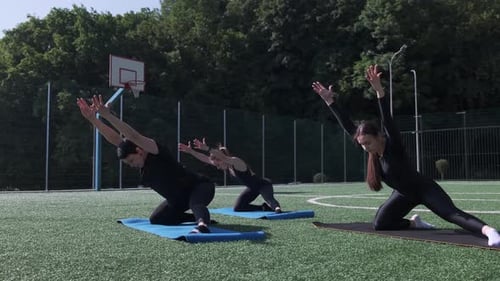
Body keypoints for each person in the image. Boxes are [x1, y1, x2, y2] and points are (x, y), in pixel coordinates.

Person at [311, 65, 500, 247]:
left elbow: (387, 119)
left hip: (424, 189)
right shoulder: (370, 150)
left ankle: (489, 231)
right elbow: (347, 125)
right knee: (380, 224)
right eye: (361, 144)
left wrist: (379, 91)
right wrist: (330, 101)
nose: (364, 147)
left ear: (378, 137)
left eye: (367, 143)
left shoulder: (394, 145)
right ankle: (414, 223)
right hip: (403, 194)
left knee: (453, 215)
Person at [76, 95, 215, 233]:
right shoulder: (137, 157)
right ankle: (196, 217)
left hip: (200, 188)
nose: (131, 165)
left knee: (195, 203)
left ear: (139, 151)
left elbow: (133, 136)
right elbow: (116, 139)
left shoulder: (155, 151)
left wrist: (108, 116)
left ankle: (202, 224)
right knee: (157, 219)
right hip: (179, 198)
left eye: (131, 160)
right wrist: (93, 119)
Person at [178, 138, 282, 213]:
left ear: (221, 159)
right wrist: (191, 151)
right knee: (238, 208)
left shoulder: (236, 161)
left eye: (218, 164)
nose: (217, 167)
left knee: (271, 202)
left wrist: (208, 149)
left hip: (263, 185)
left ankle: (276, 208)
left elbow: (223, 158)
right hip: (252, 188)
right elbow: (205, 158)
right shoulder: (226, 166)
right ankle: (263, 208)